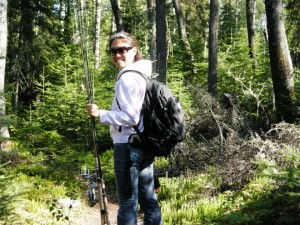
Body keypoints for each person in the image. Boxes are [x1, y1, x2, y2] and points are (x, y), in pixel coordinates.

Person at [86, 31, 162, 225]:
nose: (117, 54)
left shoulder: (127, 78)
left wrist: (100, 114)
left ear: (133, 50)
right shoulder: (141, 74)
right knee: (149, 201)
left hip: (128, 145)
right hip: (144, 143)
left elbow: (130, 117)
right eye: (113, 51)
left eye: (123, 50)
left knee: (128, 202)